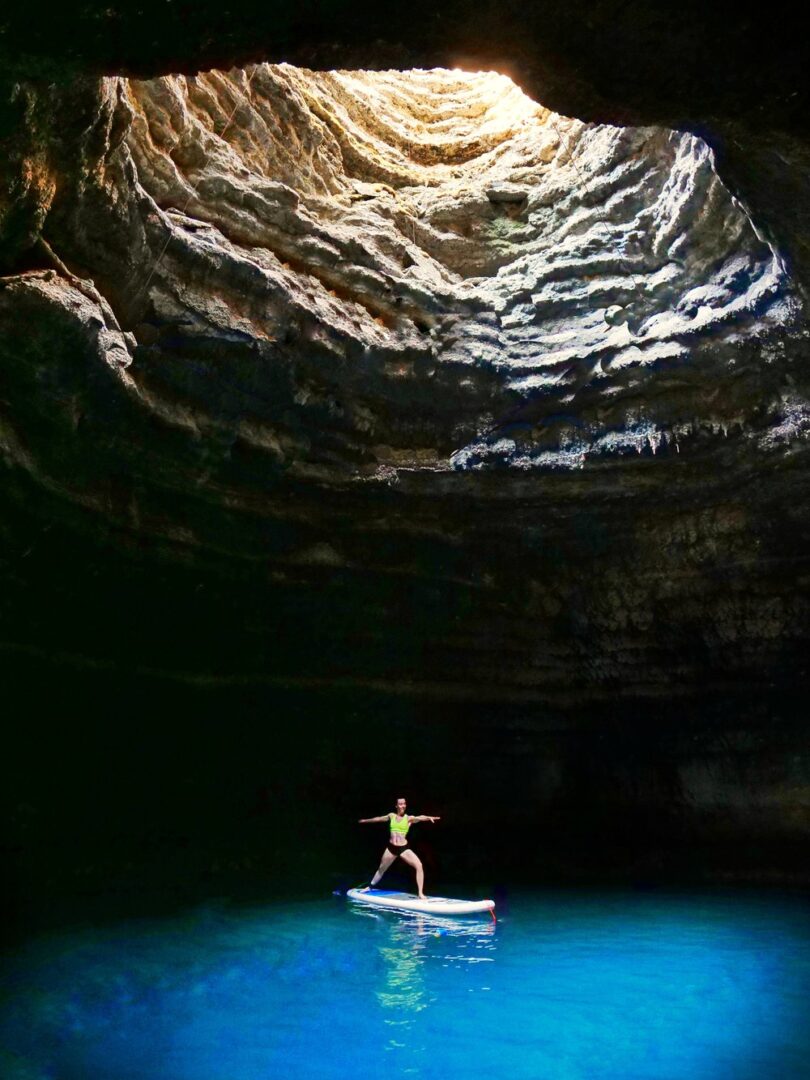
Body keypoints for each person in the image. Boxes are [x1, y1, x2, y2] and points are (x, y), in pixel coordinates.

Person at [358, 796, 440, 900]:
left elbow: (420, 817)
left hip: (403, 848)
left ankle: (420, 893)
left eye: (404, 804)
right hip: (391, 848)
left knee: (419, 865)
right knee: (381, 869)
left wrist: (429, 817)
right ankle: (369, 887)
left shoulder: (409, 818)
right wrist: (365, 821)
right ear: (396, 806)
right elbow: (378, 818)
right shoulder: (391, 816)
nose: (402, 806)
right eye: (400, 804)